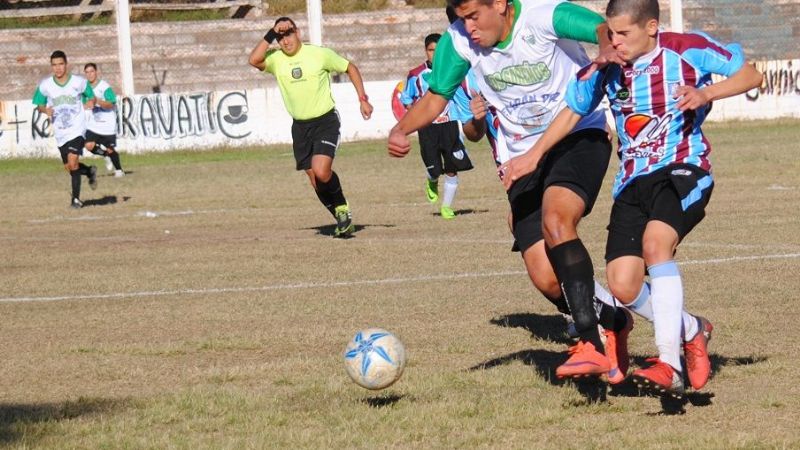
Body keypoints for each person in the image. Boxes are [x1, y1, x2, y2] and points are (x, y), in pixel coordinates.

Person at [499, 0, 763, 396]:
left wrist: (706, 93)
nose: (614, 42)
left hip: (682, 167)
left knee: (657, 246)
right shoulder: (605, 67)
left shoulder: (685, 47)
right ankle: (692, 329)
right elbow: (572, 111)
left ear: (651, 27)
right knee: (623, 286)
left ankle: (669, 364)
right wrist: (532, 157)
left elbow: (750, 75)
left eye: (623, 34)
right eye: (611, 33)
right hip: (631, 182)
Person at [389, 0, 636, 382]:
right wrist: (401, 129)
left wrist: (605, 44)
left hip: (577, 134)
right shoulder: (458, 42)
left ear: (501, 4)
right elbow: (437, 95)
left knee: (557, 221)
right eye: (461, 18)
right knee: (544, 276)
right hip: (521, 158)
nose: (467, 26)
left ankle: (590, 343)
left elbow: (598, 27)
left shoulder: (542, 15)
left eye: (473, 15)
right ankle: (614, 319)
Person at [248, 17, 373, 238]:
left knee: (322, 171)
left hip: (325, 121)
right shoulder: (276, 59)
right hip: (300, 127)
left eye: (288, 34)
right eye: (280, 36)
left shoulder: (319, 54)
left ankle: (342, 206)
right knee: (315, 180)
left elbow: (350, 68)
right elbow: (253, 59)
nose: (285, 40)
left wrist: (362, 98)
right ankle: (341, 219)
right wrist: (270, 33)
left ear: (298, 33)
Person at [400, 33, 475, 220]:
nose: (435, 54)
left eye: (438, 49)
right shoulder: (416, 75)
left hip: (450, 124)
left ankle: (446, 207)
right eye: (431, 50)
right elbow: (406, 99)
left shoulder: (454, 71)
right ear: (426, 51)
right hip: (427, 128)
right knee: (434, 169)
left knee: (452, 166)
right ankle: (432, 180)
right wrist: (418, 115)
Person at [33, 50, 97, 209]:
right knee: (69, 167)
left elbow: (91, 95)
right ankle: (89, 171)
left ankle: (76, 200)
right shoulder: (45, 85)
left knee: (73, 161)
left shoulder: (78, 82)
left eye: (61, 64)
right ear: (51, 66)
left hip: (77, 128)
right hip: (60, 131)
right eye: (54, 65)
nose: (58, 68)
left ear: (66, 64)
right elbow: (39, 104)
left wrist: (91, 102)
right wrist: (44, 110)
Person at [83, 62, 125, 178]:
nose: (90, 74)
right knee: (89, 145)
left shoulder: (104, 87)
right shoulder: (84, 88)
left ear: (96, 72)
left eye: (92, 71)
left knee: (110, 148)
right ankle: (106, 155)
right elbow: (83, 103)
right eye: (87, 72)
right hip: (93, 123)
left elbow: (111, 104)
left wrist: (98, 102)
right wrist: (87, 105)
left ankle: (119, 170)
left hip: (107, 123)